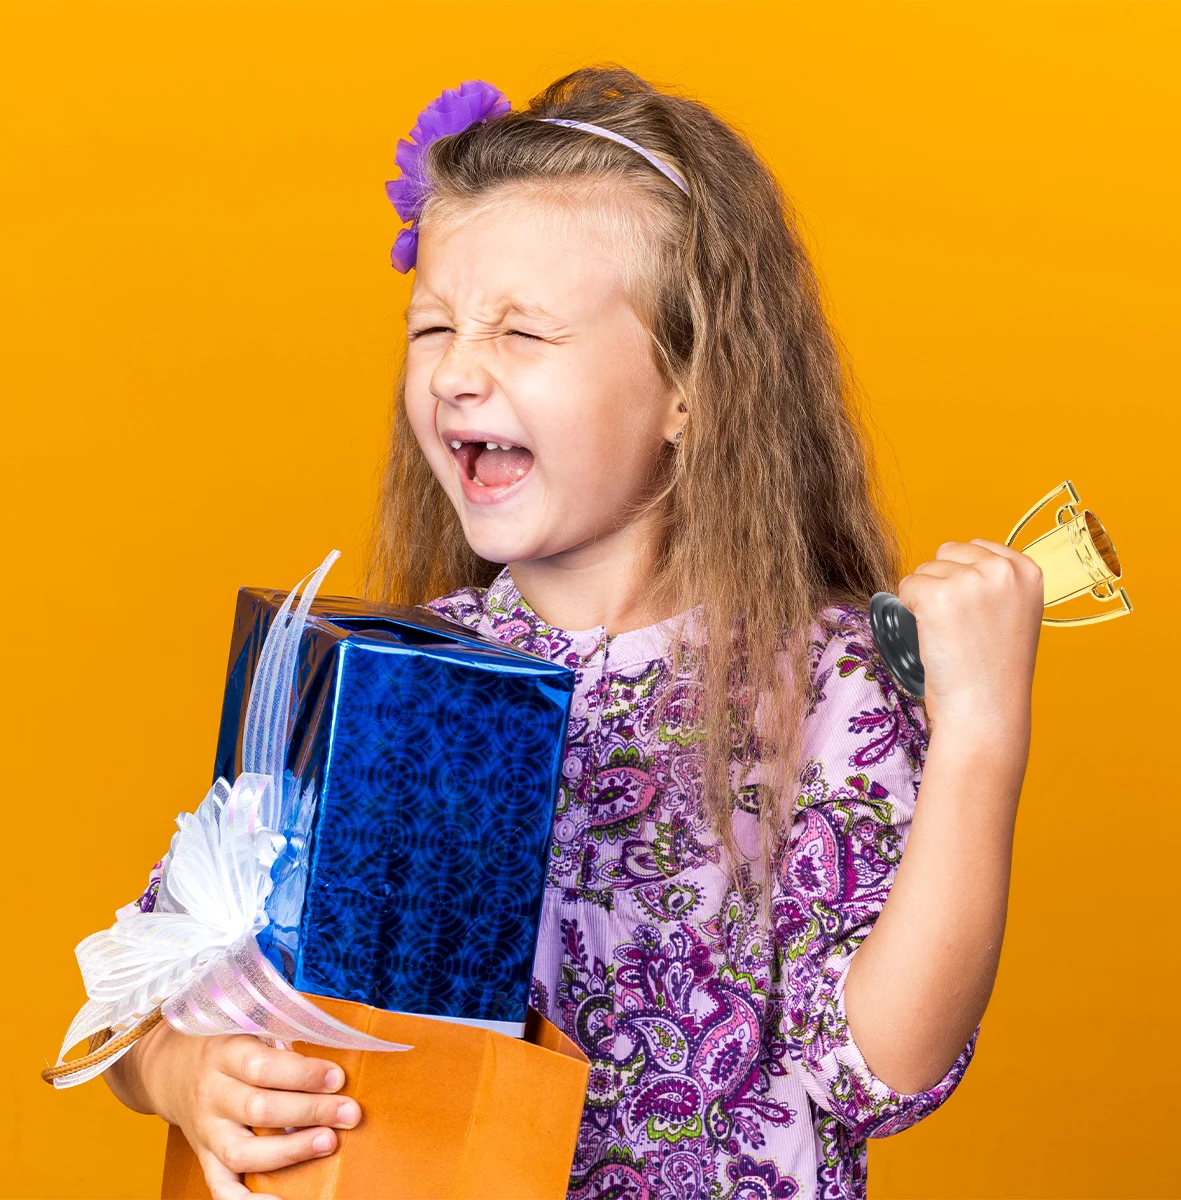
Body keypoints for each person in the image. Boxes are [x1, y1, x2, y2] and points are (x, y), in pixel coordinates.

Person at [103, 67, 1043, 1200]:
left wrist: (981, 732)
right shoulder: (391, 675)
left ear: (691, 388)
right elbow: (150, 974)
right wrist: (181, 1070)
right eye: (434, 326)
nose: (457, 371)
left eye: (524, 331)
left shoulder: (826, 684)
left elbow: (878, 1070)